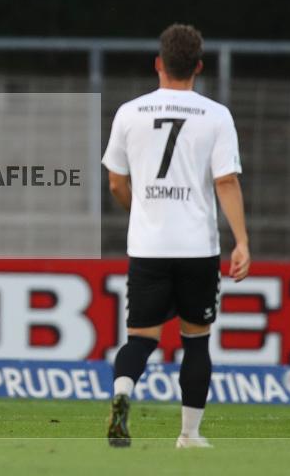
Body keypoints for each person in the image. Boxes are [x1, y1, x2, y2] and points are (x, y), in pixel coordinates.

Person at [101, 24, 250, 448]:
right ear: (198, 67)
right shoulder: (216, 115)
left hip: (148, 245)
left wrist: (142, 210)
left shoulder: (130, 113)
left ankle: (122, 394)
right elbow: (225, 182)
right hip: (197, 248)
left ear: (158, 65)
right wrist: (241, 240)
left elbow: (115, 182)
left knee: (141, 339)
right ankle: (189, 434)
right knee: (195, 341)